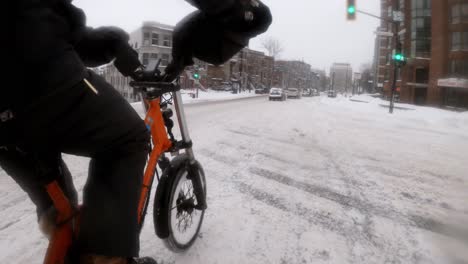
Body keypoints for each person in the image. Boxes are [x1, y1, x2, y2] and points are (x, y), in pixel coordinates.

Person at [3, 0, 271, 263]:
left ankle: (63, 226)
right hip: (33, 70)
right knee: (127, 139)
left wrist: (110, 42)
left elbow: (53, 25)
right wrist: (236, 7)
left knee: (55, 194)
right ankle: (107, 257)